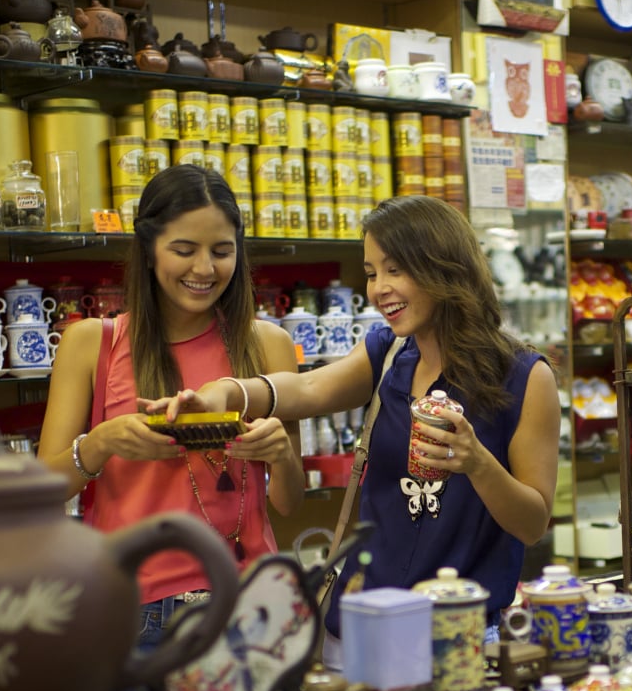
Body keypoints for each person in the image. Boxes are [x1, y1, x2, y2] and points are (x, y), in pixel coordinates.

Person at [151, 194, 560, 659]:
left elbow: (533, 524)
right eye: (371, 273)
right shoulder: (388, 353)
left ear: (444, 267)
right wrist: (226, 393)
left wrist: (478, 464)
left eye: (395, 270)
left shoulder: (525, 377)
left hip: (458, 637)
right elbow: (308, 389)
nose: (379, 289)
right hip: (358, 628)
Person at [38, 164, 304, 653]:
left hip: (249, 604)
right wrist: (100, 443)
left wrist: (281, 454)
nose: (204, 269)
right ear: (148, 249)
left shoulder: (268, 344)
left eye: (221, 251)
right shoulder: (92, 343)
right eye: (184, 250)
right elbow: (42, 490)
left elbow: (289, 502)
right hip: (132, 612)